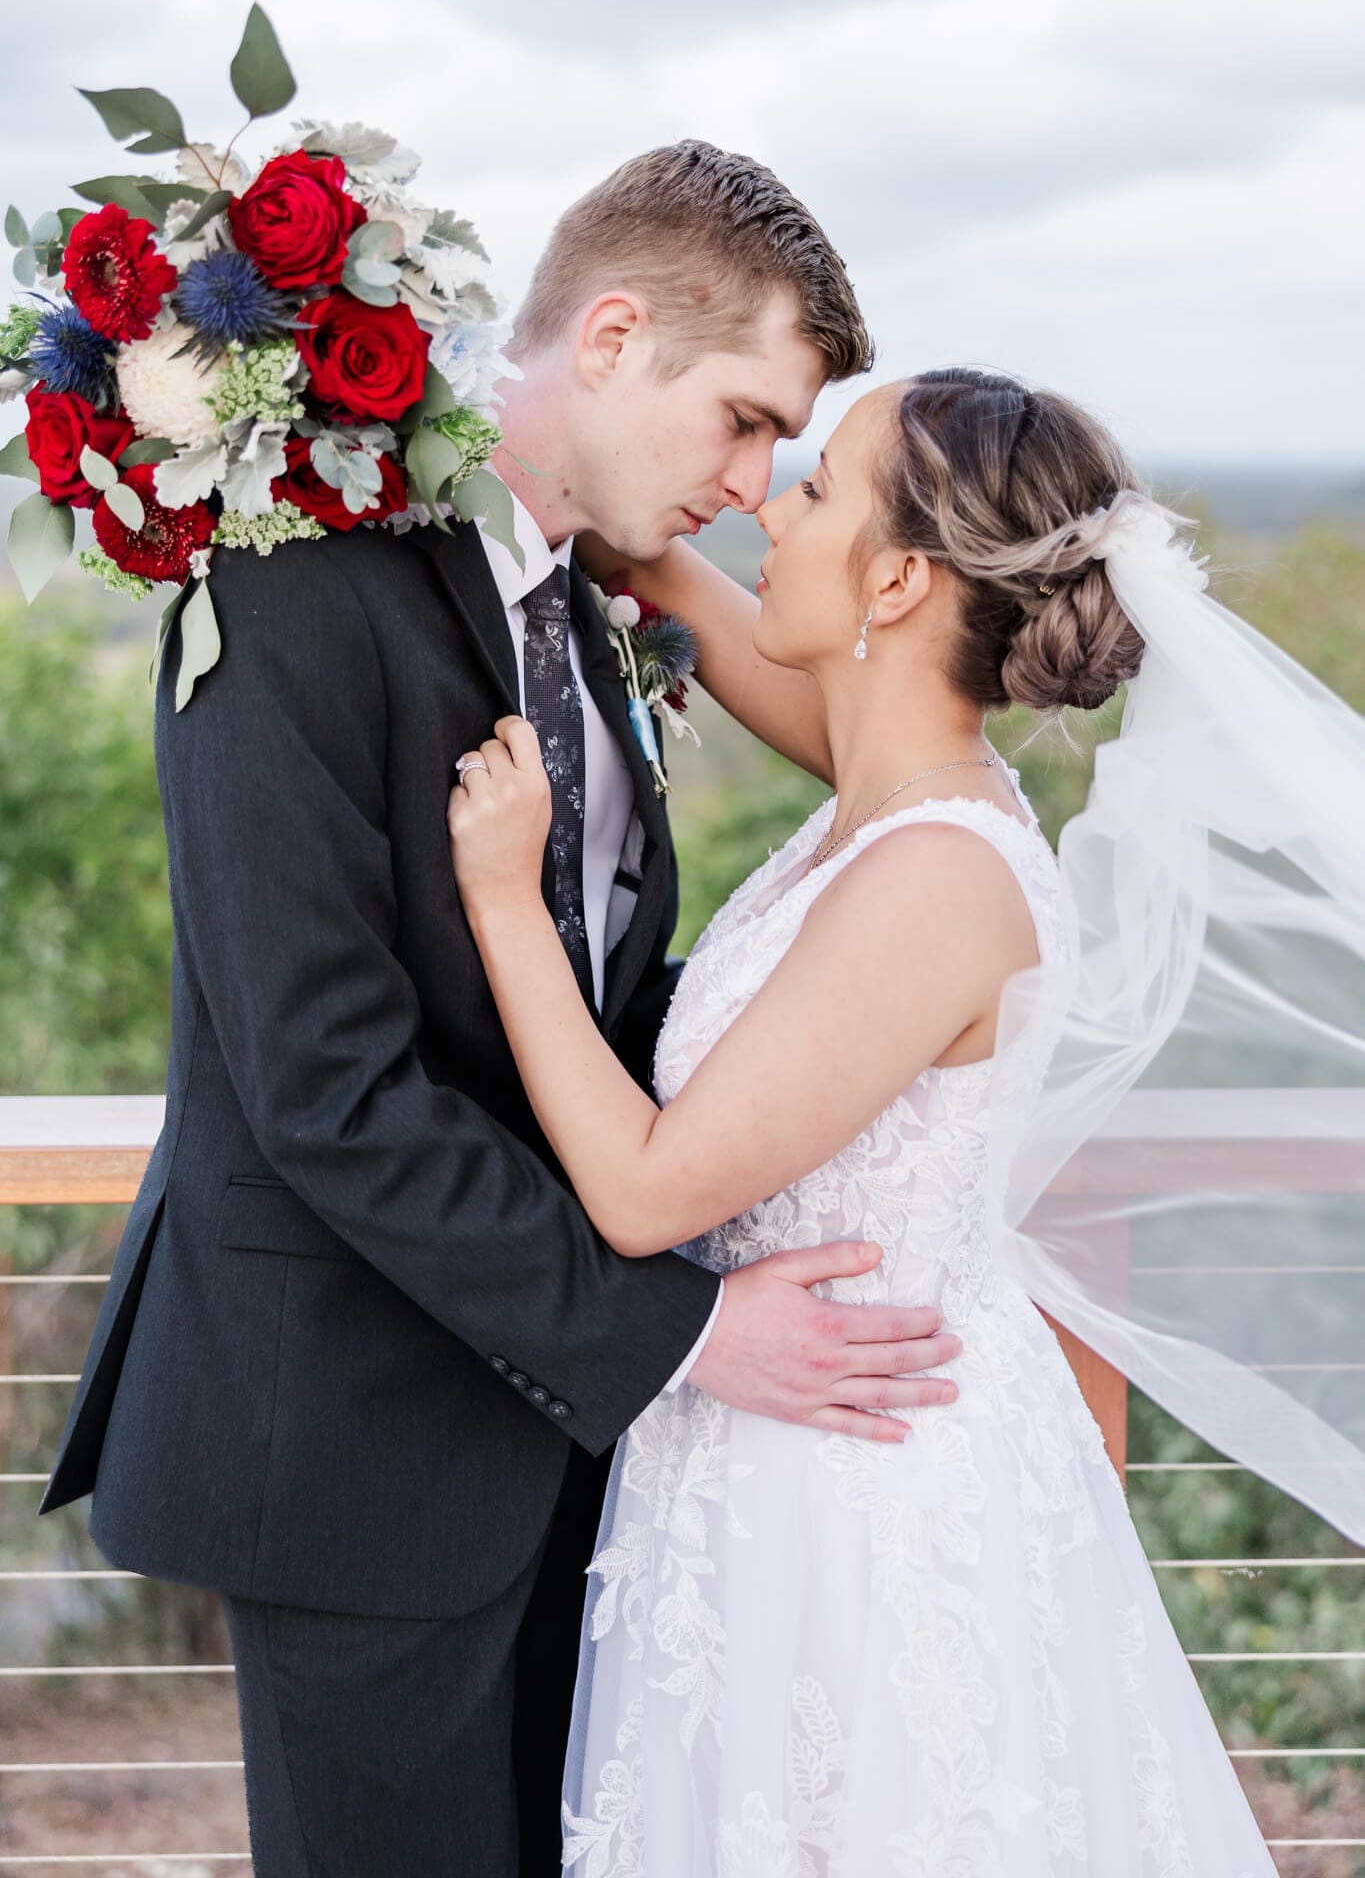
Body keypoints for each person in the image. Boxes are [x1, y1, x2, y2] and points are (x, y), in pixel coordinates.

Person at [39, 144, 965, 1878]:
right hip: (355, 1456)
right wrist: (681, 1335)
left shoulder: (586, 611)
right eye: (748, 420)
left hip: (572, 1466)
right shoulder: (291, 588)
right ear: (612, 337)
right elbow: (324, 1089)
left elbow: (599, 1014)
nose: (759, 483)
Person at [447, 368, 1281, 1873]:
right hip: (772, 1457)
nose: (771, 502)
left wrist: (506, 903)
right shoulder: (891, 799)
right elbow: (646, 556)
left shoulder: (935, 879)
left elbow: (643, 1195)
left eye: (815, 486)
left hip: (867, 1503)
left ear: (894, 579)